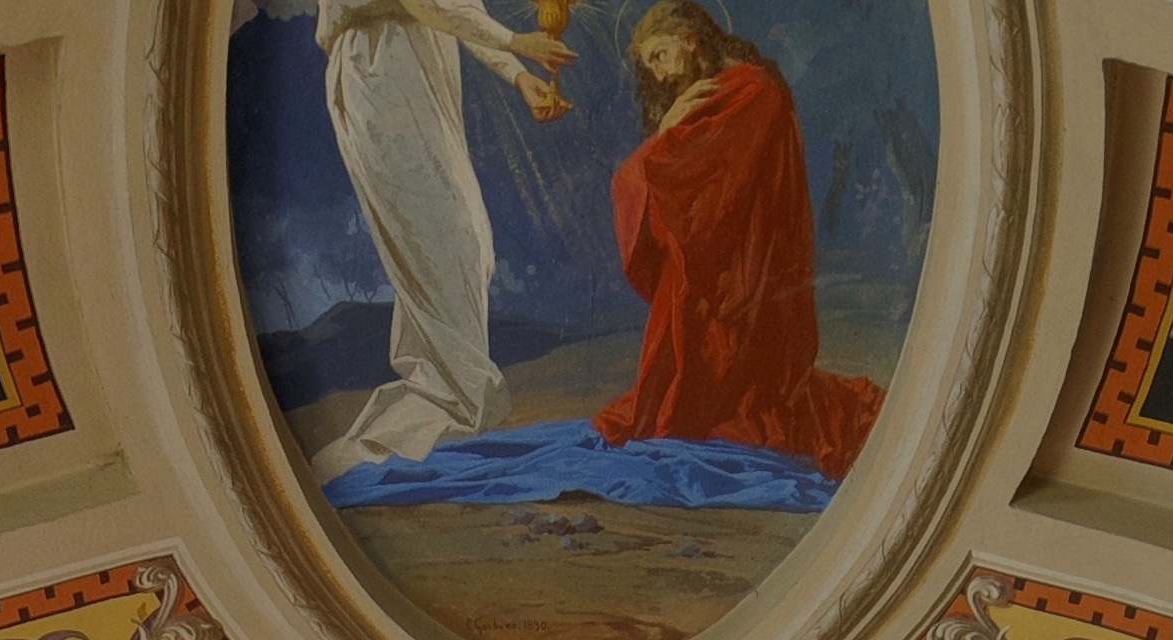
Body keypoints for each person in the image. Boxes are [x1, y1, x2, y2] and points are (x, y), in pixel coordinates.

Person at [597, 1, 882, 473]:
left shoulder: (753, 91)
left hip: (745, 283)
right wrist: (668, 133)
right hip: (722, 272)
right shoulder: (728, 91)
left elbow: (700, 192)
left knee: (711, 407)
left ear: (690, 39)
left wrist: (664, 140)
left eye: (661, 55)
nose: (661, 74)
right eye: (651, 64)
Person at [301, 0, 576, 478]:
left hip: (421, 68)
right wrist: (517, 43)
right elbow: (425, 3)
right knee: (445, 241)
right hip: (378, 67)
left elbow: (455, 6)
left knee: (465, 245)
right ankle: (447, 396)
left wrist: (517, 75)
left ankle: (442, 389)